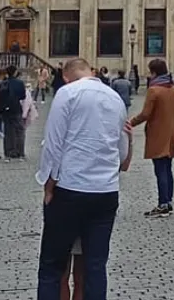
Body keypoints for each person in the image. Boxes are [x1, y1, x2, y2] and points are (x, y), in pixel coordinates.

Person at [36, 58, 132, 300]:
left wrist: (49, 185)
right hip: (106, 192)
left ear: (66, 77)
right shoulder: (115, 99)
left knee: (52, 265)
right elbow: (121, 155)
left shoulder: (67, 93)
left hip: (71, 188)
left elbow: (54, 145)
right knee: (95, 267)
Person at [128, 58, 174, 218]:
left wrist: (130, 122)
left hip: (158, 134)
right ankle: (169, 201)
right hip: (171, 133)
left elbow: (146, 114)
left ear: (153, 72)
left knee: (160, 170)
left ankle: (163, 204)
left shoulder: (154, 90)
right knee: (167, 168)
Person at [0, 65, 30, 160]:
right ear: (15, 72)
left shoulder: (3, 83)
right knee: (20, 131)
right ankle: (20, 152)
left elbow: (0, 96)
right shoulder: (20, 83)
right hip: (16, 109)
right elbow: (23, 96)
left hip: (6, 110)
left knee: (8, 132)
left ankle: (9, 152)